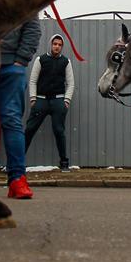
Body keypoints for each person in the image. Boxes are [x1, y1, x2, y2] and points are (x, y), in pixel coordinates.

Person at [0, 17, 41, 199]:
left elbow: (32, 27)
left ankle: (17, 179)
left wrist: (21, 59)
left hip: (11, 67)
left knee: (11, 122)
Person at [24, 34, 75, 172]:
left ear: (62, 47)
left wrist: (66, 100)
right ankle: (16, 162)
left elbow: (71, 84)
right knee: (29, 130)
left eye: (59, 45)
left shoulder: (66, 62)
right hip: (41, 100)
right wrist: (33, 98)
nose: (57, 46)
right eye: (55, 44)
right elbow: (33, 81)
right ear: (51, 44)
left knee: (59, 131)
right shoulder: (41, 59)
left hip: (58, 101)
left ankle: (64, 162)